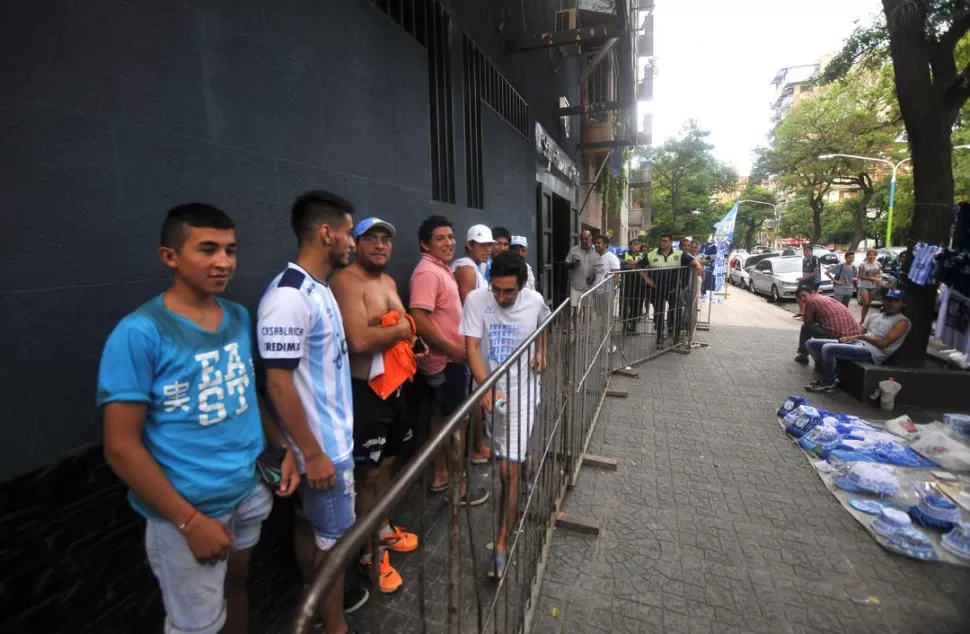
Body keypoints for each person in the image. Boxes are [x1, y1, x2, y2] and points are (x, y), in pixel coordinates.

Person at [98, 204, 300, 634]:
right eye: (207, 249)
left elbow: (248, 393)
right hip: (188, 511)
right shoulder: (140, 333)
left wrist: (281, 447)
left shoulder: (238, 317)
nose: (223, 262)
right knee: (197, 625)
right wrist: (188, 521)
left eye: (230, 249)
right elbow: (120, 446)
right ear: (169, 256)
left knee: (237, 586)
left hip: (249, 490)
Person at [257, 190, 358, 634]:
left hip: (326, 447)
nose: (352, 242)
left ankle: (315, 608)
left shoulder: (319, 289)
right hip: (323, 452)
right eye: (349, 233)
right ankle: (334, 626)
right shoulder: (288, 296)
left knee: (312, 528)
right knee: (335, 548)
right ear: (326, 233)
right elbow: (277, 383)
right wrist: (313, 454)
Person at [330, 217, 419, 595]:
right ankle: (368, 553)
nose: (380, 246)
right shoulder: (345, 282)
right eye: (371, 239)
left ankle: (381, 528)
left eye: (386, 239)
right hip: (365, 393)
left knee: (386, 465)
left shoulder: (389, 282)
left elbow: (402, 332)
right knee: (367, 475)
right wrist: (400, 330)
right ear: (357, 243)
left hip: (397, 387)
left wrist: (406, 337)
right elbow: (361, 340)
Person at [460, 251, 550, 580]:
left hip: (524, 393)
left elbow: (544, 326)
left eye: (508, 291)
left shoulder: (534, 300)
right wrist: (484, 389)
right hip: (493, 397)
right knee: (504, 454)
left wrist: (542, 351)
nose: (500, 297)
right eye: (495, 289)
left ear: (522, 286)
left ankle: (500, 545)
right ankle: (522, 458)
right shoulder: (476, 300)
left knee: (506, 470)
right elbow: (471, 347)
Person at [409, 215, 489, 505]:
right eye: (440, 238)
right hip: (445, 363)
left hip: (451, 361)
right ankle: (457, 486)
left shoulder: (439, 269)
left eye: (451, 237)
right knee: (455, 423)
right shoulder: (427, 272)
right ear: (424, 243)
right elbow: (418, 317)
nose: (448, 242)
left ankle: (442, 476)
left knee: (442, 419)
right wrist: (451, 349)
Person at [805, 289, 910, 393]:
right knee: (811, 344)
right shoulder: (875, 317)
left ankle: (829, 383)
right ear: (884, 301)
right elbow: (859, 331)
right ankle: (830, 373)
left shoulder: (902, 322)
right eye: (889, 300)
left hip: (872, 352)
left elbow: (882, 344)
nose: (891, 304)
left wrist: (859, 337)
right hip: (856, 343)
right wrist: (848, 337)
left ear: (903, 304)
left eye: (896, 301)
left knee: (828, 348)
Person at [453, 225, 495, 464]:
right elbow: (467, 309)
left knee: (479, 394)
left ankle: (478, 445)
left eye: (489, 245)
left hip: (474, 341)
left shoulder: (474, 267)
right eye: (483, 245)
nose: (487, 249)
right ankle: (477, 447)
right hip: (469, 343)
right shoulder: (467, 270)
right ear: (470, 245)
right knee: (478, 394)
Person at [638, 232, 703, 345]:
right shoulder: (652, 254)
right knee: (658, 313)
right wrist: (646, 278)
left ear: (671, 242)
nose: (662, 243)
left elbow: (693, 260)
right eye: (661, 241)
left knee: (676, 312)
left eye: (665, 241)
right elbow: (638, 266)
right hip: (657, 289)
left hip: (673, 289)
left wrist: (698, 265)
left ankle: (676, 335)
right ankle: (659, 335)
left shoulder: (679, 254)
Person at [793, 285, 863, 365]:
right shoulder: (826, 298)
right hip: (853, 335)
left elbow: (808, 322)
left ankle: (803, 355)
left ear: (812, 293)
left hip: (839, 336)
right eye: (800, 298)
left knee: (806, 328)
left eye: (804, 295)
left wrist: (805, 312)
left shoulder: (812, 301)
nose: (802, 299)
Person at [565, 230, 599, 309]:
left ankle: (585, 322)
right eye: (582, 239)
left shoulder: (597, 251)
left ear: (591, 238)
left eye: (586, 239)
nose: (584, 241)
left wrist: (594, 276)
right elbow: (566, 264)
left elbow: (601, 267)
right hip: (576, 286)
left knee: (588, 310)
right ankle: (576, 322)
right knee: (575, 309)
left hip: (590, 287)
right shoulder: (574, 250)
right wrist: (572, 264)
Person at [858, 248, 883, 325]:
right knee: (865, 303)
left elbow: (878, 274)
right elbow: (860, 276)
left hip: (873, 286)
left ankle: (863, 320)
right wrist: (871, 278)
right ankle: (862, 320)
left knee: (868, 304)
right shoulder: (862, 264)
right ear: (867, 256)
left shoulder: (878, 264)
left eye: (873, 255)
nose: (871, 256)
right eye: (870, 255)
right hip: (863, 286)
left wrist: (879, 278)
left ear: (875, 256)